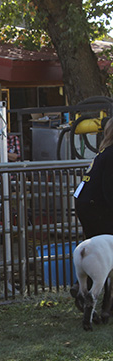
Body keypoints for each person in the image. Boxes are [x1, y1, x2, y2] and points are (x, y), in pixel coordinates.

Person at [71, 118, 113, 308]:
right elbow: (108, 189)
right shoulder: (111, 154)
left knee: (98, 250)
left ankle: (82, 288)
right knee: (105, 252)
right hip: (95, 206)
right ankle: (97, 298)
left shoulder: (104, 151)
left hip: (86, 203)